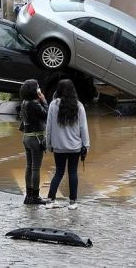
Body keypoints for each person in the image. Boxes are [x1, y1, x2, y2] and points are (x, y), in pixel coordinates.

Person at [45, 79, 90, 210]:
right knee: (72, 173)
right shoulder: (79, 105)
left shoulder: (53, 105)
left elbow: (49, 127)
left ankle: (50, 201)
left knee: (58, 172)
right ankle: (73, 202)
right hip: (75, 146)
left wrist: (49, 144)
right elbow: (84, 128)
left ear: (58, 90)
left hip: (58, 146)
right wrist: (86, 146)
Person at [19, 79, 48, 205]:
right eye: (38, 88)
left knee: (29, 167)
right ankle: (35, 196)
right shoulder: (34, 104)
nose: (39, 89)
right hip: (36, 139)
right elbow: (46, 115)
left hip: (27, 137)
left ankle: (29, 196)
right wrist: (44, 101)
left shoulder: (24, 102)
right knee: (36, 168)